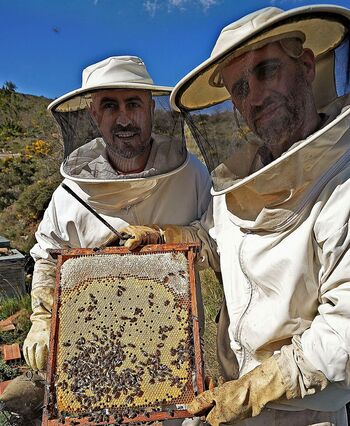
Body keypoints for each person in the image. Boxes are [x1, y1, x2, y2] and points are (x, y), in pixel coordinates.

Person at [121, 5, 350, 425]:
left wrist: (256, 388)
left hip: (305, 414)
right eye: (239, 88)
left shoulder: (343, 185)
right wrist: (166, 237)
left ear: (305, 65)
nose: (255, 98)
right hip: (229, 400)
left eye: (266, 70)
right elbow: (214, 239)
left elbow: (344, 334)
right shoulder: (242, 180)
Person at [1, 56, 211, 423]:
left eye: (133, 103)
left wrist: (166, 236)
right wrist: (41, 317)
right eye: (110, 106)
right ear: (94, 115)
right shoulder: (70, 194)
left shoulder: (191, 174)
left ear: (150, 108)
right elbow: (49, 256)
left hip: (172, 362)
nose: (124, 118)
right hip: (99, 368)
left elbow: (216, 240)